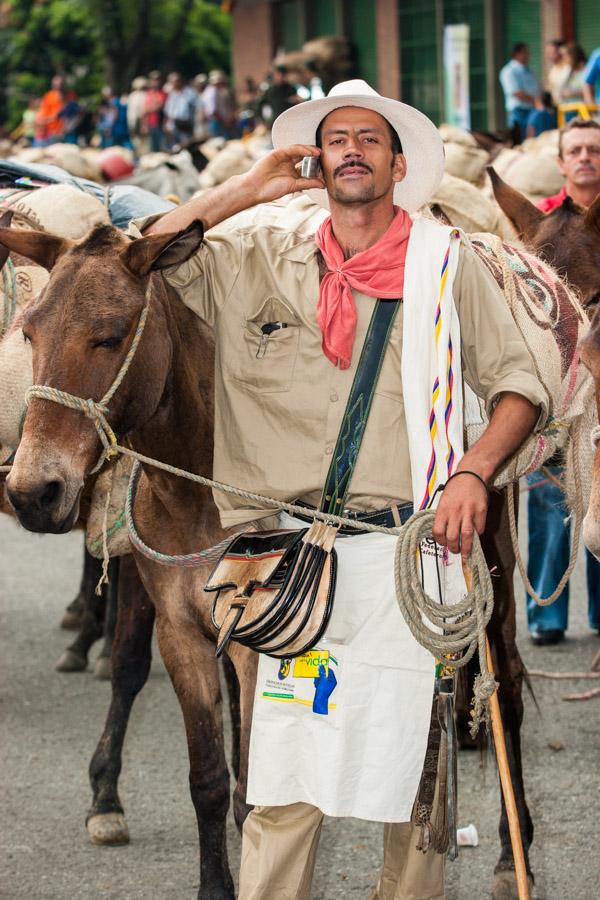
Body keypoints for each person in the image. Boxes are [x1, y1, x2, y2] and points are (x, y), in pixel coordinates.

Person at [131, 79, 546, 899]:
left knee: (413, 780)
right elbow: (143, 251)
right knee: (282, 779)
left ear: (397, 163)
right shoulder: (249, 254)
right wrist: (248, 189)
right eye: (336, 137)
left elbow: (519, 385)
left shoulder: (446, 263)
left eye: (369, 138)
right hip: (285, 559)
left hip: (408, 553)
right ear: (316, 159)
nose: (351, 148)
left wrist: (473, 470)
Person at [526, 116, 600, 645]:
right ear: (560, 162)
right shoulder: (542, 228)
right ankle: (547, 616)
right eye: (575, 149)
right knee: (550, 499)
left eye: (593, 149)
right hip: (554, 381)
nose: (584, 158)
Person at [537, 117, 600, 211]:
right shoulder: (544, 213)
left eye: (594, 150)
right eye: (574, 151)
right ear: (560, 164)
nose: (584, 158)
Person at [499, 43, 540, 142]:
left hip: (533, 110)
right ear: (517, 54)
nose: (528, 55)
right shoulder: (509, 71)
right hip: (519, 111)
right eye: (525, 52)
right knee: (519, 141)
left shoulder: (530, 70)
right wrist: (535, 101)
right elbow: (516, 92)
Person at [35, 75, 77, 146]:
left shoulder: (71, 95)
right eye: (56, 85)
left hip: (68, 131)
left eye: (61, 85)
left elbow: (76, 113)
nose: (59, 87)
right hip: (52, 132)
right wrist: (53, 118)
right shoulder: (49, 96)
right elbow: (42, 116)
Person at [259, 64, 304, 129]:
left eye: (282, 75)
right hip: (275, 122)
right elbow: (261, 104)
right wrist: (263, 121)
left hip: (290, 121)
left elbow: (297, 104)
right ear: (275, 75)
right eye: (278, 74)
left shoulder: (291, 89)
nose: (280, 77)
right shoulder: (270, 91)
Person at [163, 73, 197, 148]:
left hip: (185, 125)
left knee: (186, 146)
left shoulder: (190, 93)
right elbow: (168, 112)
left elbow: (196, 108)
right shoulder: (172, 94)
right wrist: (166, 124)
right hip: (174, 126)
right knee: (175, 147)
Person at [202, 69, 237, 139]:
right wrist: (224, 122)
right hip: (217, 122)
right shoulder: (212, 92)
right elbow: (213, 111)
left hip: (218, 121)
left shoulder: (215, 91)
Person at [143, 71, 166, 153]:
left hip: (160, 124)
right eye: (153, 80)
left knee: (162, 148)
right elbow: (145, 110)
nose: (155, 82)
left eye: (157, 79)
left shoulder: (163, 93)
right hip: (151, 124)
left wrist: (149, 109)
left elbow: (159, 107)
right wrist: (144, 125)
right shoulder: (149, 93)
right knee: (152, 149)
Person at [127, 76, 148, 154]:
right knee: (140, 142)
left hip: (137, 122)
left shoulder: (132, 96)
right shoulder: (142, 95)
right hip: (138, 122)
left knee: (139, 142)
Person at [545, 39, 568, 105]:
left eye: (551, 52)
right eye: (547, 53)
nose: (548, 56)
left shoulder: (569, 68)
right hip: (557, 107)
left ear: (561, 51)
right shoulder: (553, 70)